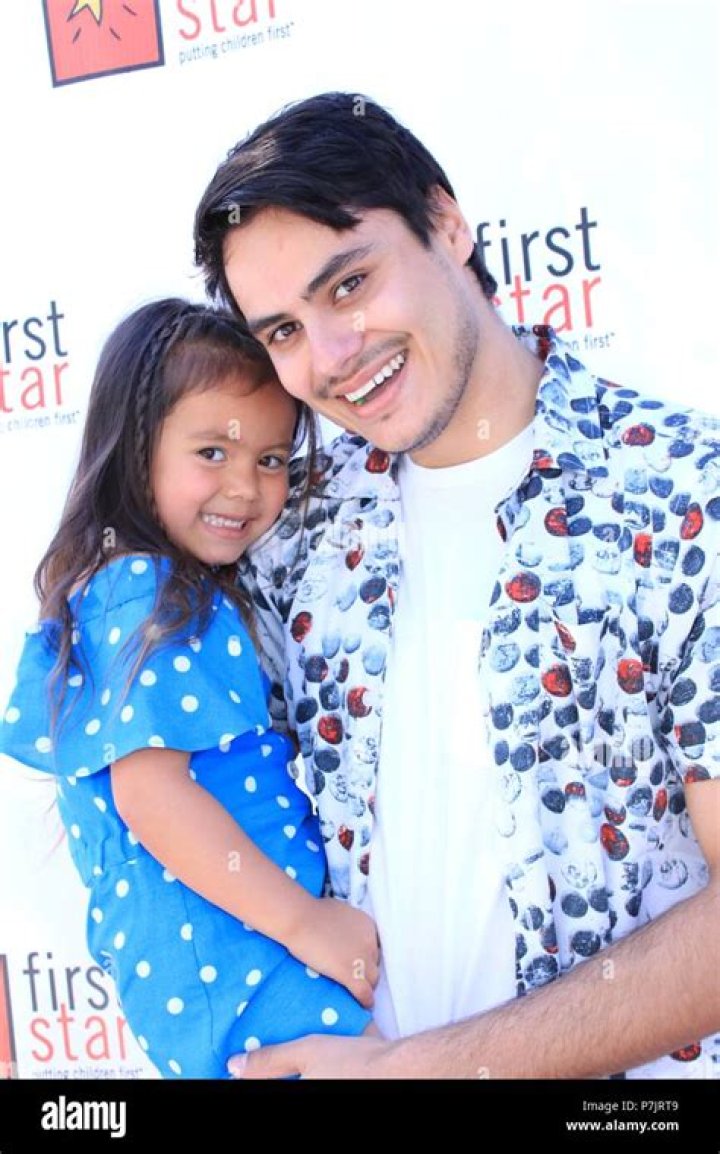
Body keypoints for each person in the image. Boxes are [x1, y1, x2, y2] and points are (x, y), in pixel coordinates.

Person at [192, 92, 720, 1080]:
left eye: (349, 284)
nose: (331, 357)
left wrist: (417, 1072)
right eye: (284, 331)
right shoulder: (286, 534)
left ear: (446, 222)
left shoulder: (685, 494)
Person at [0, 297, 379, 1079]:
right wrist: (306, 923)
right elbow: (153, 796)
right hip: (245, 966)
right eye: (213, 451)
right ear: (136, 449)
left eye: (270, 460)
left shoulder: (139, 588)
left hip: (231, 963)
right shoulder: (142, 587)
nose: (245, 487)